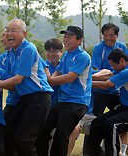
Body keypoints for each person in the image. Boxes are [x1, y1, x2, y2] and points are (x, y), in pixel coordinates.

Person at [0, 19, 53, 156]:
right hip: (24, 99)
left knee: (24, 139)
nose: (9, 34)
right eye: (7, 30)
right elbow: (8, 80)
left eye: (13, 30)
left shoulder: (28, 48)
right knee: (8, 134)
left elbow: (17, 79)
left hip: (38, 98)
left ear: (24, 34)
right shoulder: (11, 54)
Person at [39, 26, 92, 156]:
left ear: (79, 40)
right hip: (63, 101)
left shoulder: (82, 56)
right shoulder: (66, 55)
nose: (66, 40)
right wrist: (51, 79)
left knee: (61, 134)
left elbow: (70, 77)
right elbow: (58, 71)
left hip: (77, 103)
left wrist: (50, 80)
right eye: (65, 37)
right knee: (43, 130)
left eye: (69, 37)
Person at [86, 49, 128, 156]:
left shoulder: (126, 72)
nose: (113, 68)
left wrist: (82, 83)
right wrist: (86, 76)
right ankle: (93, 153)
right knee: (96, 123)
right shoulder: (120, 70)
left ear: (122, 61)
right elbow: (107, 76)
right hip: (122, 108)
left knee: (112, 124)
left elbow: (105, 85)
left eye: (114, 66)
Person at [91, 23, 128, 117]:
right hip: (100, 90)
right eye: (105, 35)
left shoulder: (122, 47)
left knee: (121, 116)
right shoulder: (98, 48)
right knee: (95, 118)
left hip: (115, 89)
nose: (108, 38)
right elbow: (96, 69)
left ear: (117, 35)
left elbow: (124, 67)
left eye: (111, 35)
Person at [44, 38, 63, 107]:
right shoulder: (43, 68)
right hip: (48, 105)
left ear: (61, 52)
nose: (51, 54)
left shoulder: (65, 66)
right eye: (48, 51)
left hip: (64, 105)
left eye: (55, 51)